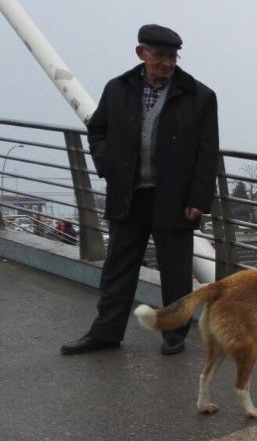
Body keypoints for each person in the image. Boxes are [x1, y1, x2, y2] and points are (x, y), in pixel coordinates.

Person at [61, 24, 219, 356]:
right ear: (141, 53)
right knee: (117, 268)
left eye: (173, 57)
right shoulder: (117, 89)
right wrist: (107, 165)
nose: (167, 63)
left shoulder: (199, 95)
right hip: (128, 194)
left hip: (174, 199)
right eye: (160, 56)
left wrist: (198, 199)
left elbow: (207, 152)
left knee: (176, 273)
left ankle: (174, 335)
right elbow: (98, 129)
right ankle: (105, 332)